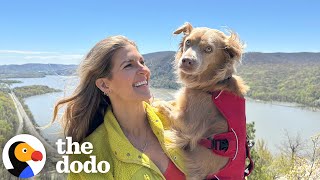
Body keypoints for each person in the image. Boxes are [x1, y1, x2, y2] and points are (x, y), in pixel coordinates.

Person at [52, 35, 186, 179]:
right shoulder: (92, 156)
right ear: (104, 85)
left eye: (142, 62)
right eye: (128, 65)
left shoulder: (175, 116)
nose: (144, 70)